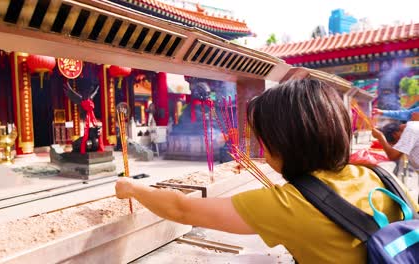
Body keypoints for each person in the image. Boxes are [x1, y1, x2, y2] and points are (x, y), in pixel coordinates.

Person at [116, 79, 418, 263]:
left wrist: (132, 188)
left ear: (281, 143)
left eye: (261, 138)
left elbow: (181, 209)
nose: (259, 148)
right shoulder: (378, 176)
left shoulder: (288, 203)